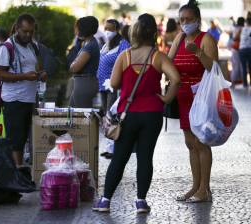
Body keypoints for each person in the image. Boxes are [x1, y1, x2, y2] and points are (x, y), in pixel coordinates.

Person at [93, 13, 180, 213]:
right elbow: (175, 79)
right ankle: (141, 201)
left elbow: (114, 83)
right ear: (154, 34)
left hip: (127, 114)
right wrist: (166, 99)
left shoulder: (125, 56)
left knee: (119, 158)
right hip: (152, 114)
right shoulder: (159, 56)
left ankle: (105, 201)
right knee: (145, 157)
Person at [170, 0, 220, 203]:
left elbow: (214, 68)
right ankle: (195, 186)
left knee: (201, 142)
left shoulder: (205, 38)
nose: (184, 23)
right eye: (181, 20)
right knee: (190, 143)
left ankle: (205, 189)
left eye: (188, 19)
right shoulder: (179, 38)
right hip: (183, 97)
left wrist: (197, 52)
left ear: (198, 20)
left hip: (201, 97)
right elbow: (168, 61)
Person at [0, 13, 47, 167]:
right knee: (15, 141)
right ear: (17, 28)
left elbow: (35, 69)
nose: (28, 34)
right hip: (14, 99)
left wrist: (40, 75)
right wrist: (24, 76)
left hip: (28, 98)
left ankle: (19, 171)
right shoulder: (6, 48)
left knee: (23, 138)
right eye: (25, 31)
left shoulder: (32, 46)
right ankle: (17, 172)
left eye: (31, 31)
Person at [97, 19, 130, 159]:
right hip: (102, 85)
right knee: (106, 115)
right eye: (105, 28)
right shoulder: (106, 44)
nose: (107, 31)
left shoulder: (123, 43)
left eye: (110, 28)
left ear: (117, 29)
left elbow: (127, 61)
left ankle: (114, 147)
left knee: (112, 115)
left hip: (113, 85)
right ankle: (108, 146)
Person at [69, 16, 100, 108]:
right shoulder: (87, 43)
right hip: (82, 82)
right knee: (72, 112)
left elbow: (75, 68)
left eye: (78, 27)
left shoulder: (90, 45)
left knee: (82, 116)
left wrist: (73, 63)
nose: (76, 31)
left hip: (85, 82)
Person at [234, 17, 251, 88]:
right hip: (250, 49)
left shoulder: (241, 29)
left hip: (242, 49)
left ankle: (245, 84)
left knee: (243, 67)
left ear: (246, 22)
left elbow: (234, 38)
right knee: (250, 67)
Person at [229, 17, 245, 85]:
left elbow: (234, 39)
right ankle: (244, 82)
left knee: (235, 65)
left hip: (235, 48)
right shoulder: (244, 28)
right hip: (242, 48)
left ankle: (233, 82)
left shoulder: (235, 28)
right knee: (242, 65)